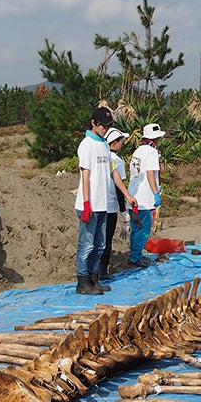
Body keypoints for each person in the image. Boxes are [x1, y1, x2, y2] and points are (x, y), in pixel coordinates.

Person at [73, 106, 115, 296]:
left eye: (108, 126)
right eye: (102, 125)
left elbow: (109, 172)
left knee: (100, 244)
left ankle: (93, 277)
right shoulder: (86, 145)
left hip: (103, 203)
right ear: (93, 123)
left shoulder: (105, 144)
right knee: (87, 244)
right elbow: (86, 175)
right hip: (90, 203)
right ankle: (82, 281)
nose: (105, 129)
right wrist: (86, 203)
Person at [100, 128, 138, 281]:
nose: (122, 144)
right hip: (109, 205)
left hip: (98, 204)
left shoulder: (102, 156)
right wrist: (124, 212)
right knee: (107, 240)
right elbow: (119, 187)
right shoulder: (117, 161)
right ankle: (102, 271)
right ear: (114, 143)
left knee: (97, 240)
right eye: (121, 141)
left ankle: (93, 271)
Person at [127, 122, 165, 267]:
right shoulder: (152, 152)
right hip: (144, 197)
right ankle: (135, 257)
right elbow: (150, 174)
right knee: (143, 229)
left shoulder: (138, 151)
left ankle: (134, 254)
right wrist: (156, 193)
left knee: (135, 228)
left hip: (133, 195)